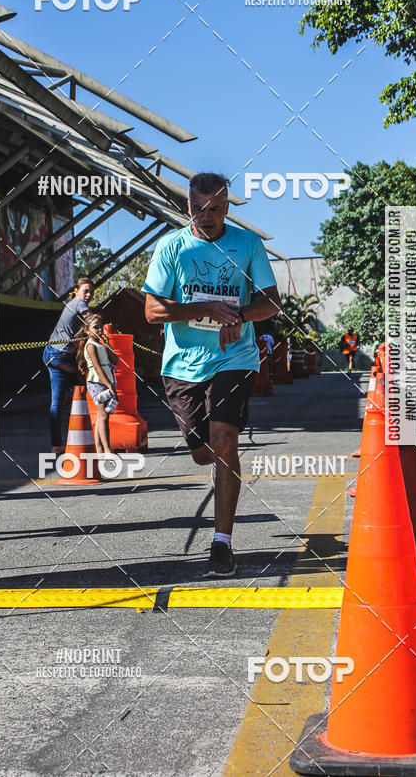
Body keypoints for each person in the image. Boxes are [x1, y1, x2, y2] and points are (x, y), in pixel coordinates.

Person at [143, 172, 281, 578]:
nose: (208, 216)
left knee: (224, 440)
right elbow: (153, 311)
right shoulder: (171, 247)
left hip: (234, 357)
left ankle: (222, 543)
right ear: (188, 206)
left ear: (228, 207)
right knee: (202, 450)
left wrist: (238, 314)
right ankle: (212, 465)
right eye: (199, 209)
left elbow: (271, 302)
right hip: (182, 363)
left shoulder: (246, 244)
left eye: (216, 209)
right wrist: (204, 310)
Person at [43, 277, 93, 453]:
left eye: (91, 292)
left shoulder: (71, 305)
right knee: (89, 382)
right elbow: (92, 321)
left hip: (51, 354)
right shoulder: (79, 303)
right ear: (76, 290)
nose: (88, 295)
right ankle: (92, 436)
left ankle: (57, 445)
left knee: (57, 402)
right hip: (60, 356)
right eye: (85, 290)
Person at [76, 312, 119, 455]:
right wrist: (109, 385)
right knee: (103, 416)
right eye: (95, 327)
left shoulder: (101, 344)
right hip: (97, 383)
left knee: (103, 416)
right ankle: (107, 450)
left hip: (106, 381)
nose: (99, 330)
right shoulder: (90, 346)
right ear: (87, 330)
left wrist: (107, 344)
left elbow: (115, 360)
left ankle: (99, 449)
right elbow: (98, 368)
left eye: (100, 327)